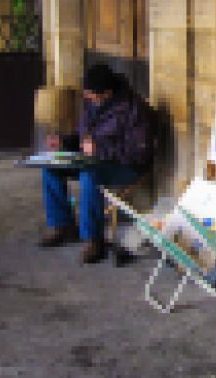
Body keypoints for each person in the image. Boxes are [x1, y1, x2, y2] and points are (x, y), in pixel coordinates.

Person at [40, 64, 155, 264]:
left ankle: (94, 240)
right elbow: (83, 137)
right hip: (94, 159)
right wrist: (64, 142)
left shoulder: (134, 109)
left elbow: (138, 153)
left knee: (89, 175)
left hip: (127, 166)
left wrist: (100, 150)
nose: (87, 98)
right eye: (86, 94)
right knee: (51, 167)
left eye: (91, 94)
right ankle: (62, 225)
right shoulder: (91, 102)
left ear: (107, 93)